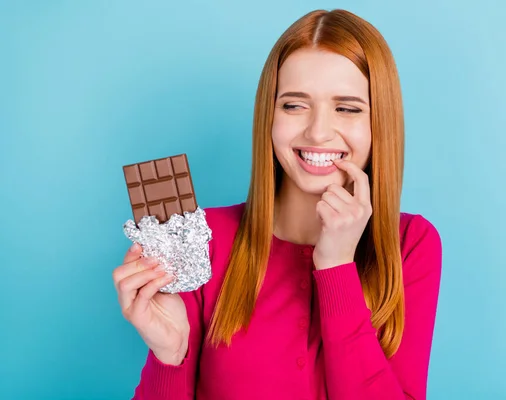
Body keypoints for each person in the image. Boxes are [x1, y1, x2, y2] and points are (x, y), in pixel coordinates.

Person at [113, 8, 442, 400]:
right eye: (294, 105)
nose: (318, 132)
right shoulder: (202, 240)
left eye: (347, 108)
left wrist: (337, 268)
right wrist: (170, 354)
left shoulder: (410, 244)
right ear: (269, 116)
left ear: (379, 123)